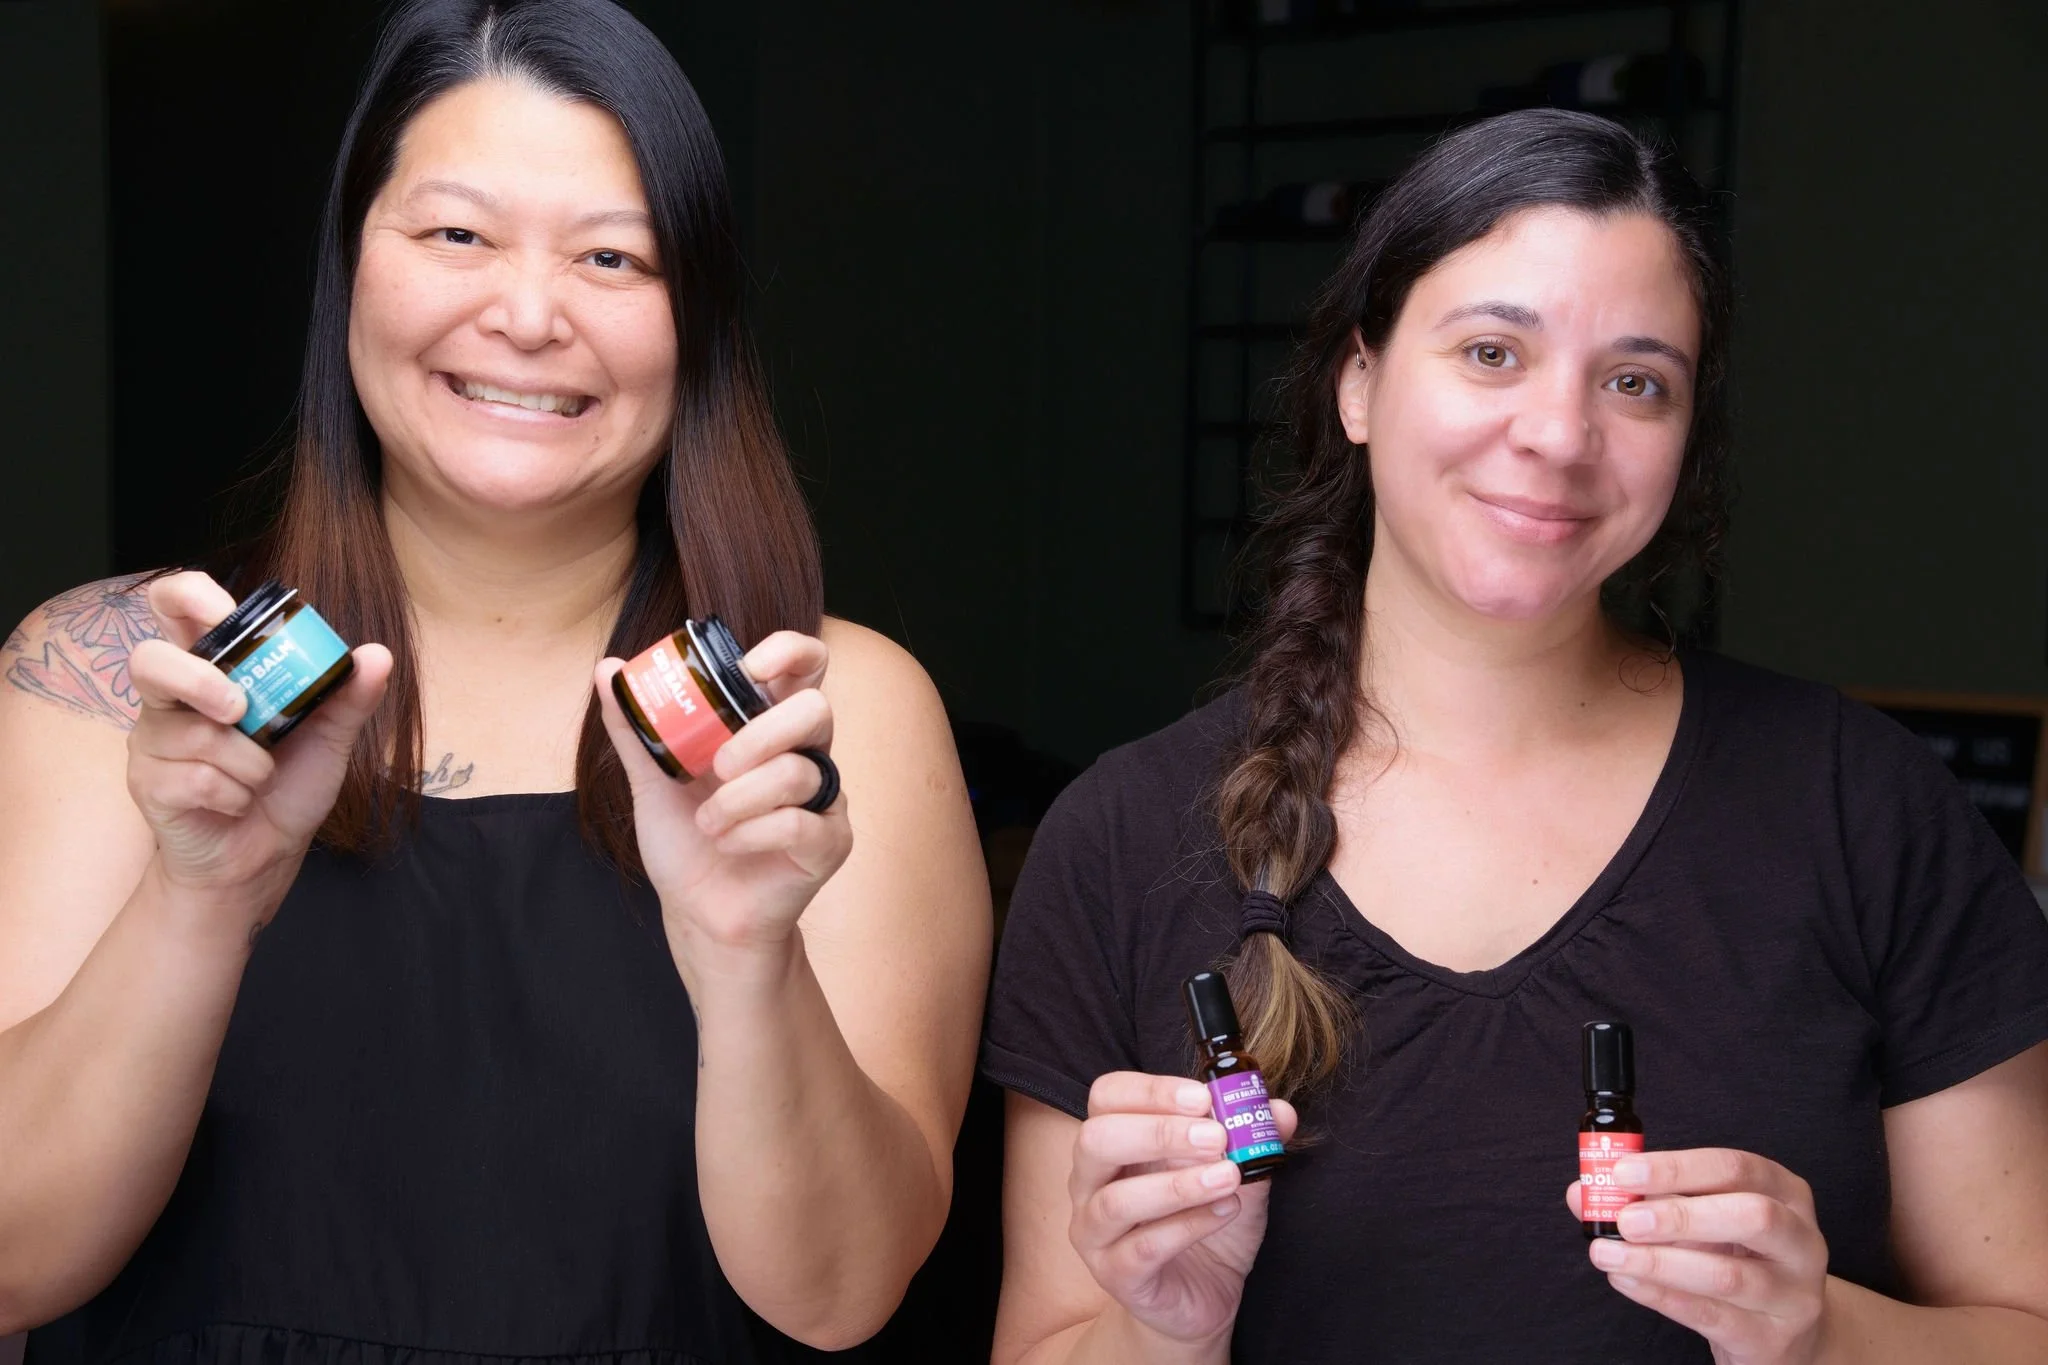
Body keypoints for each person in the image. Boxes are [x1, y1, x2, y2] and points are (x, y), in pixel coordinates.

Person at [0, 2, 990, 1360]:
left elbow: (842, 1295)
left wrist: (746, 959)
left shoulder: (819, 712)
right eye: (457, 236)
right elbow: (14, 1263)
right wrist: (199, 896)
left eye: (612, 257)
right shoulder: (125, 678)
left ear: (698, 317)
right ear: (352, 265)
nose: (527, 317)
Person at [983, 109, 2048, 1363]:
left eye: (1634, 381)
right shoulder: (1115, 842)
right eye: (1491, 353)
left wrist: (1821, 1339)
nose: (1557, 435)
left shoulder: (1857, 805)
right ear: (1357, 381)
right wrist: (1163, 1332)